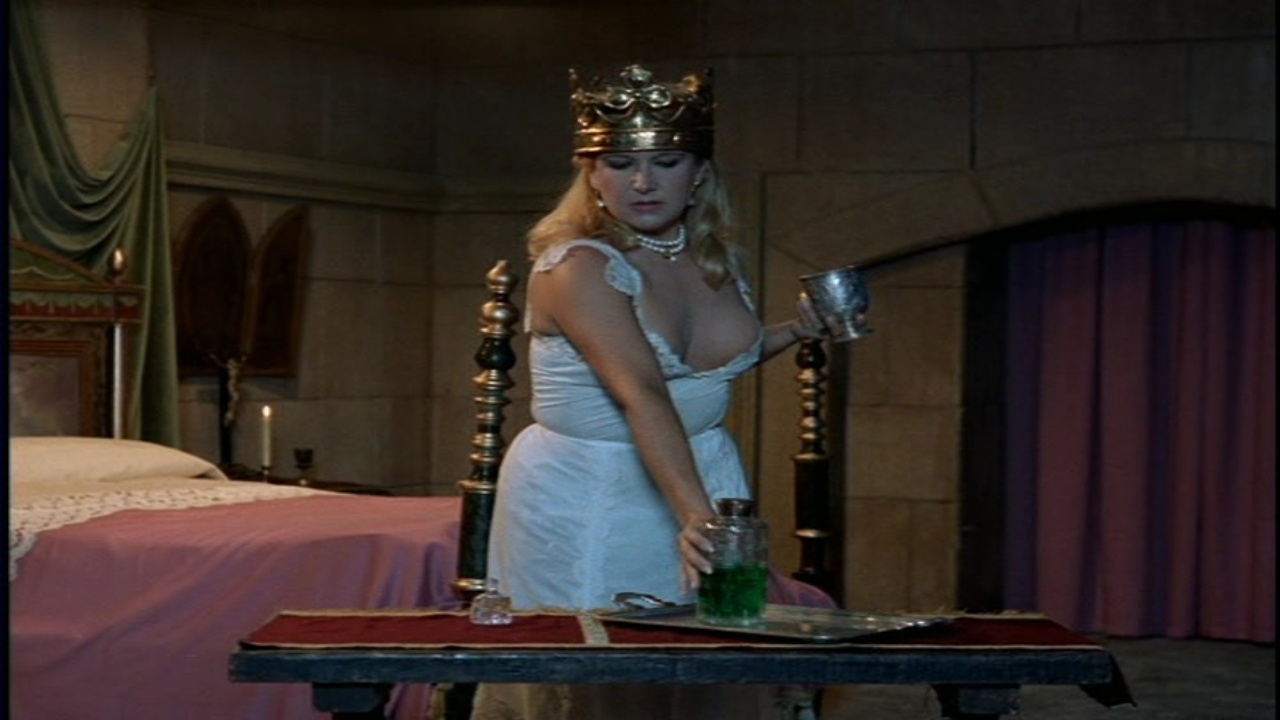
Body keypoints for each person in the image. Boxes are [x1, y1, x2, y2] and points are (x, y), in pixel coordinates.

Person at [471, 63, 830, 720]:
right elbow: (643, 392)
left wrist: (793, 332)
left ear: (700, 173)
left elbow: (704, 373)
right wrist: (701, 521)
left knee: (704, 660)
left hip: (702, 467)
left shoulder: (714, 259)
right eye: (619, 163)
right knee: (599, 672)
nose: (642, 182)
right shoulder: (578, 268)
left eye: (666, 162)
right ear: (591, 174)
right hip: (593, 487)